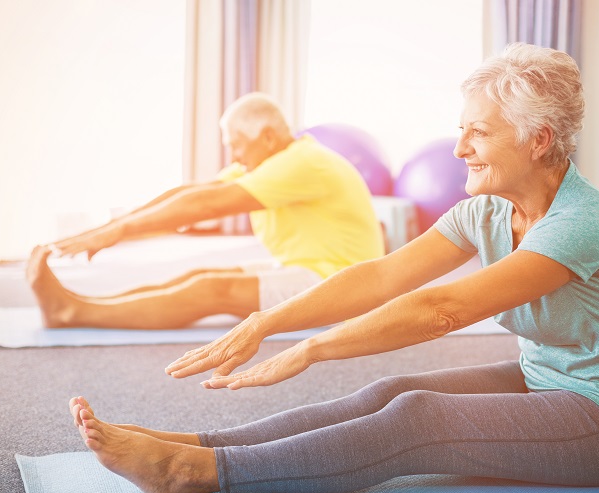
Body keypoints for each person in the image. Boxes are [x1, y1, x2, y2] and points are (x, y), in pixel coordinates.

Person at [69, 43, 599, 493]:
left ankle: (188, 477)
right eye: (460, 127)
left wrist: (313, 348)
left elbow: (442, 310)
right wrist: (269, 322)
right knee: (387, 393)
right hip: (547, 381)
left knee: (418, 419)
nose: (459, 148)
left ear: (539, 140)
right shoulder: (486, 210)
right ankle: (199, 445)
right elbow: (386, 275)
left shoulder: (580, 224)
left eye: (479, 132)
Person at [27, 93, 385, 329]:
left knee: (212, 288)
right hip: (311, 269)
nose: (234, 157)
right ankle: (82, 303)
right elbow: (192, 194)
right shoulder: (268, 162)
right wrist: (113, 225)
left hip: (342, 285)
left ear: (268, 137)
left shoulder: (304, 163)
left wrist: (118, 233)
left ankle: (72, 313)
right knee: (200, 273)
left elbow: (204, 206)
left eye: (237, 146)